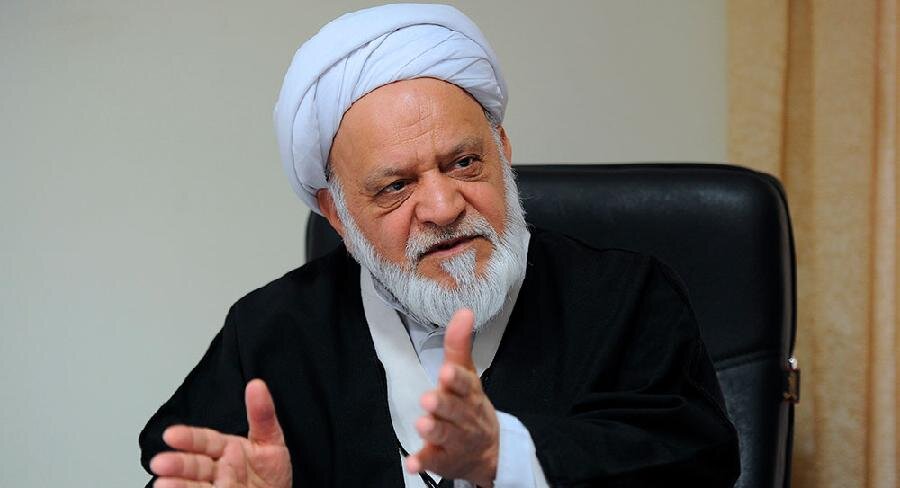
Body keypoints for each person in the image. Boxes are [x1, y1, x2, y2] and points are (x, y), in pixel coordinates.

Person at [139, 4, 740, 487]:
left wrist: (505, 458)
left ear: (503, 151)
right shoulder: (270, 333)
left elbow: (695, 461)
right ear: (337, 214)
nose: (444, 207)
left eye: (464, 163)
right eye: (396, 187)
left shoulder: (626, 297)